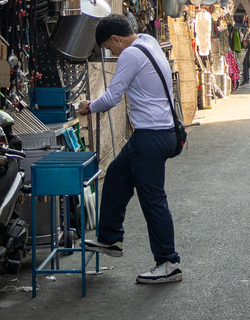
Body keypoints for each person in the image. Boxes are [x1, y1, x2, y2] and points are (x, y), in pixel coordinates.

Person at [78, 14, 182, 284]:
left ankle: (168, 262)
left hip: (151, 136)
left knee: (153, 199)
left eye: (109, 47)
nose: (111, 53)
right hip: (163, 133)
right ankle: (110, 238)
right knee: (116, 175)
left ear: (116, 39)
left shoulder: (129, 55)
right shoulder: (148, 41)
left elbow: (113, 96)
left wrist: (88, 106)